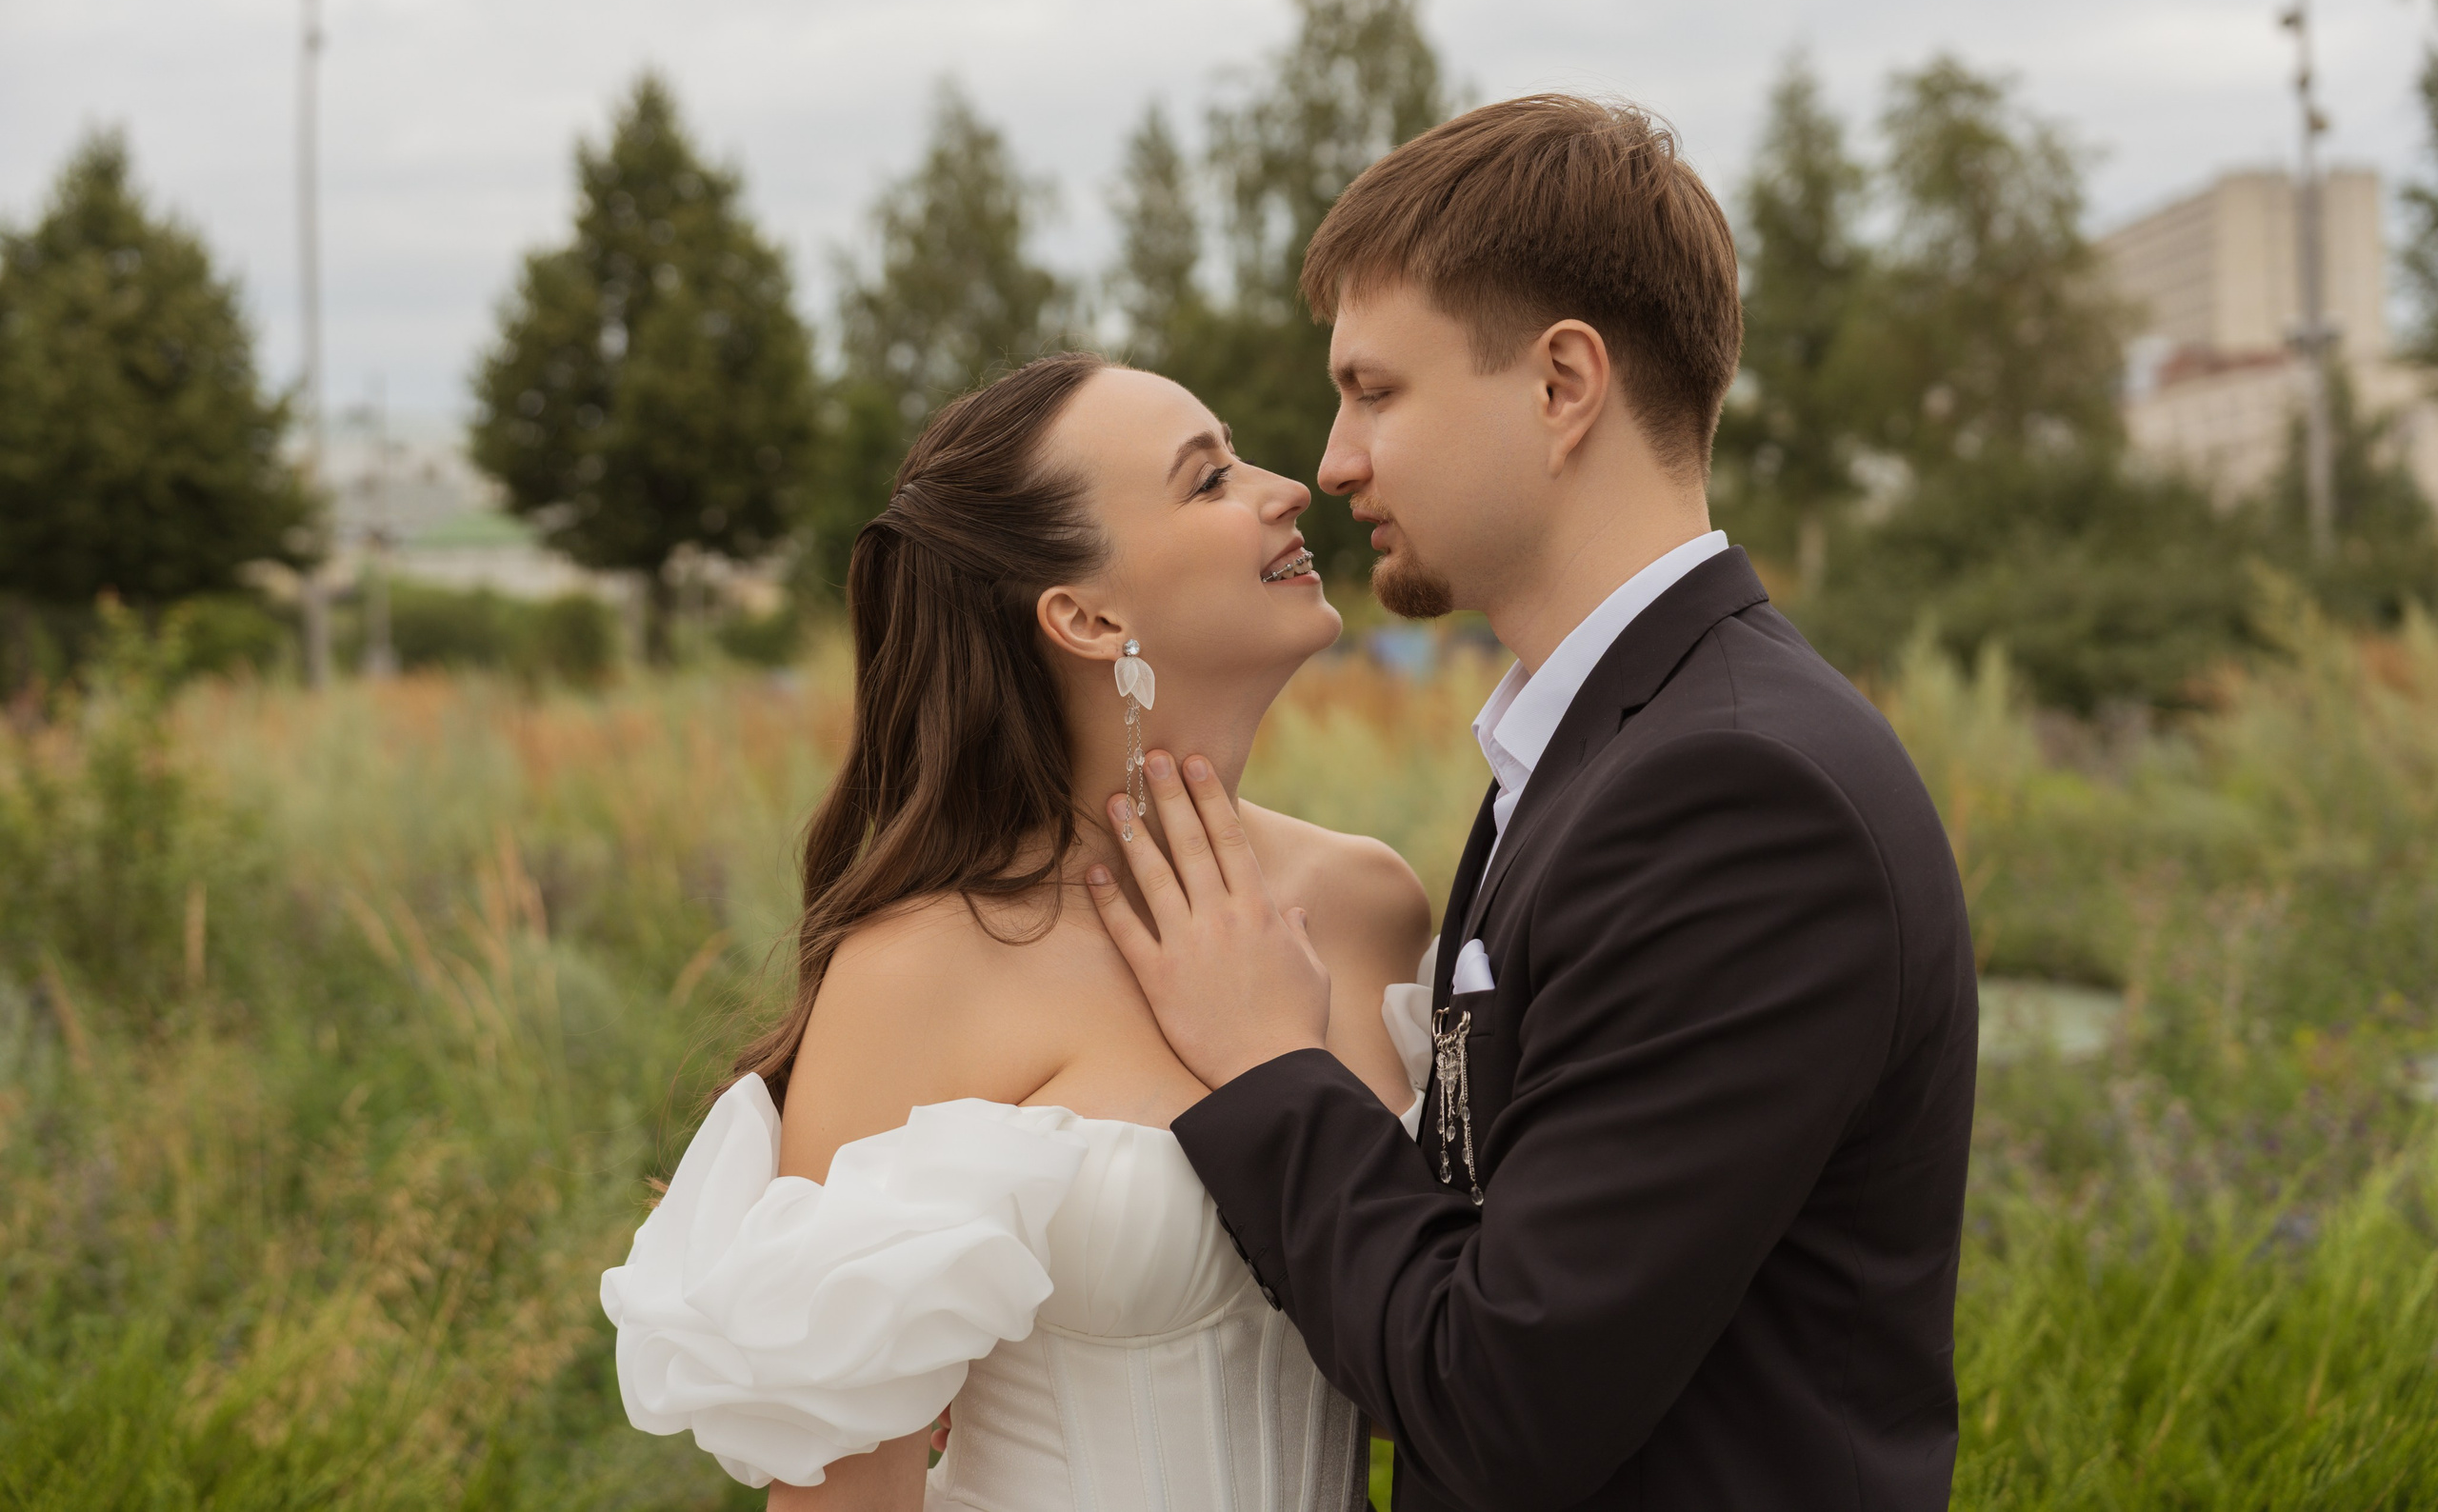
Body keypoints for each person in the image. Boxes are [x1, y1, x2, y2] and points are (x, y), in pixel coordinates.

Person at [1085, 94, 1979, 1510]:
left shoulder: (1739, 796)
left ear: (1563, 383)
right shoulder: (1608, 748)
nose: (1333, 461)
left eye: (1377, 390)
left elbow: (1503, 1393)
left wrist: (1265, 1067)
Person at [600, 352, 1435, 1509]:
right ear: (1085, 616)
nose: (1286, 485)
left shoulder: (1373, 906)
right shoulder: (919, 973)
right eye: (1207, 480)